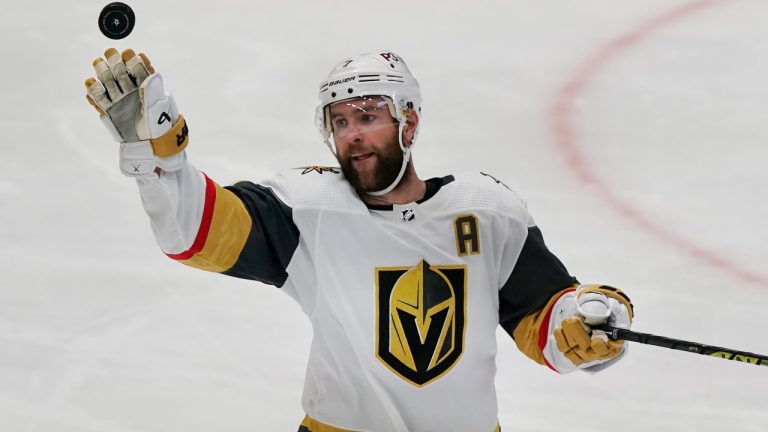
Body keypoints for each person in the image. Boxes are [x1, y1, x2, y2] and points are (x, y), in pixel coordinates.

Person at [84, 48, 634, 432]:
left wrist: (587, 319)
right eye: (340, 121)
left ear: (410, 122)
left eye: (368, 116)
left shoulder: (487, 212)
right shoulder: (307, 211)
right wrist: (160, 162)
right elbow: (194, 231)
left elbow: (547, 323)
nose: (352, 135)